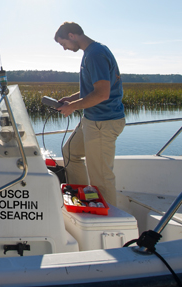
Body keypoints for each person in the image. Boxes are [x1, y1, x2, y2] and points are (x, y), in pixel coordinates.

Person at [54, 22, 125, 206]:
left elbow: (102, 93)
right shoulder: (92, 52)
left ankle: (109, 220)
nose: (64, 49)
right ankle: (83, 199)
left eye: (63, 44)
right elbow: (93, 89)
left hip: (103, 122)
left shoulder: (95, 55)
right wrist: (72, 98)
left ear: (71, 35)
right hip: (91, 119)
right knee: (70, 152)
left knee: (101, 177)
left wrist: (73, 107)